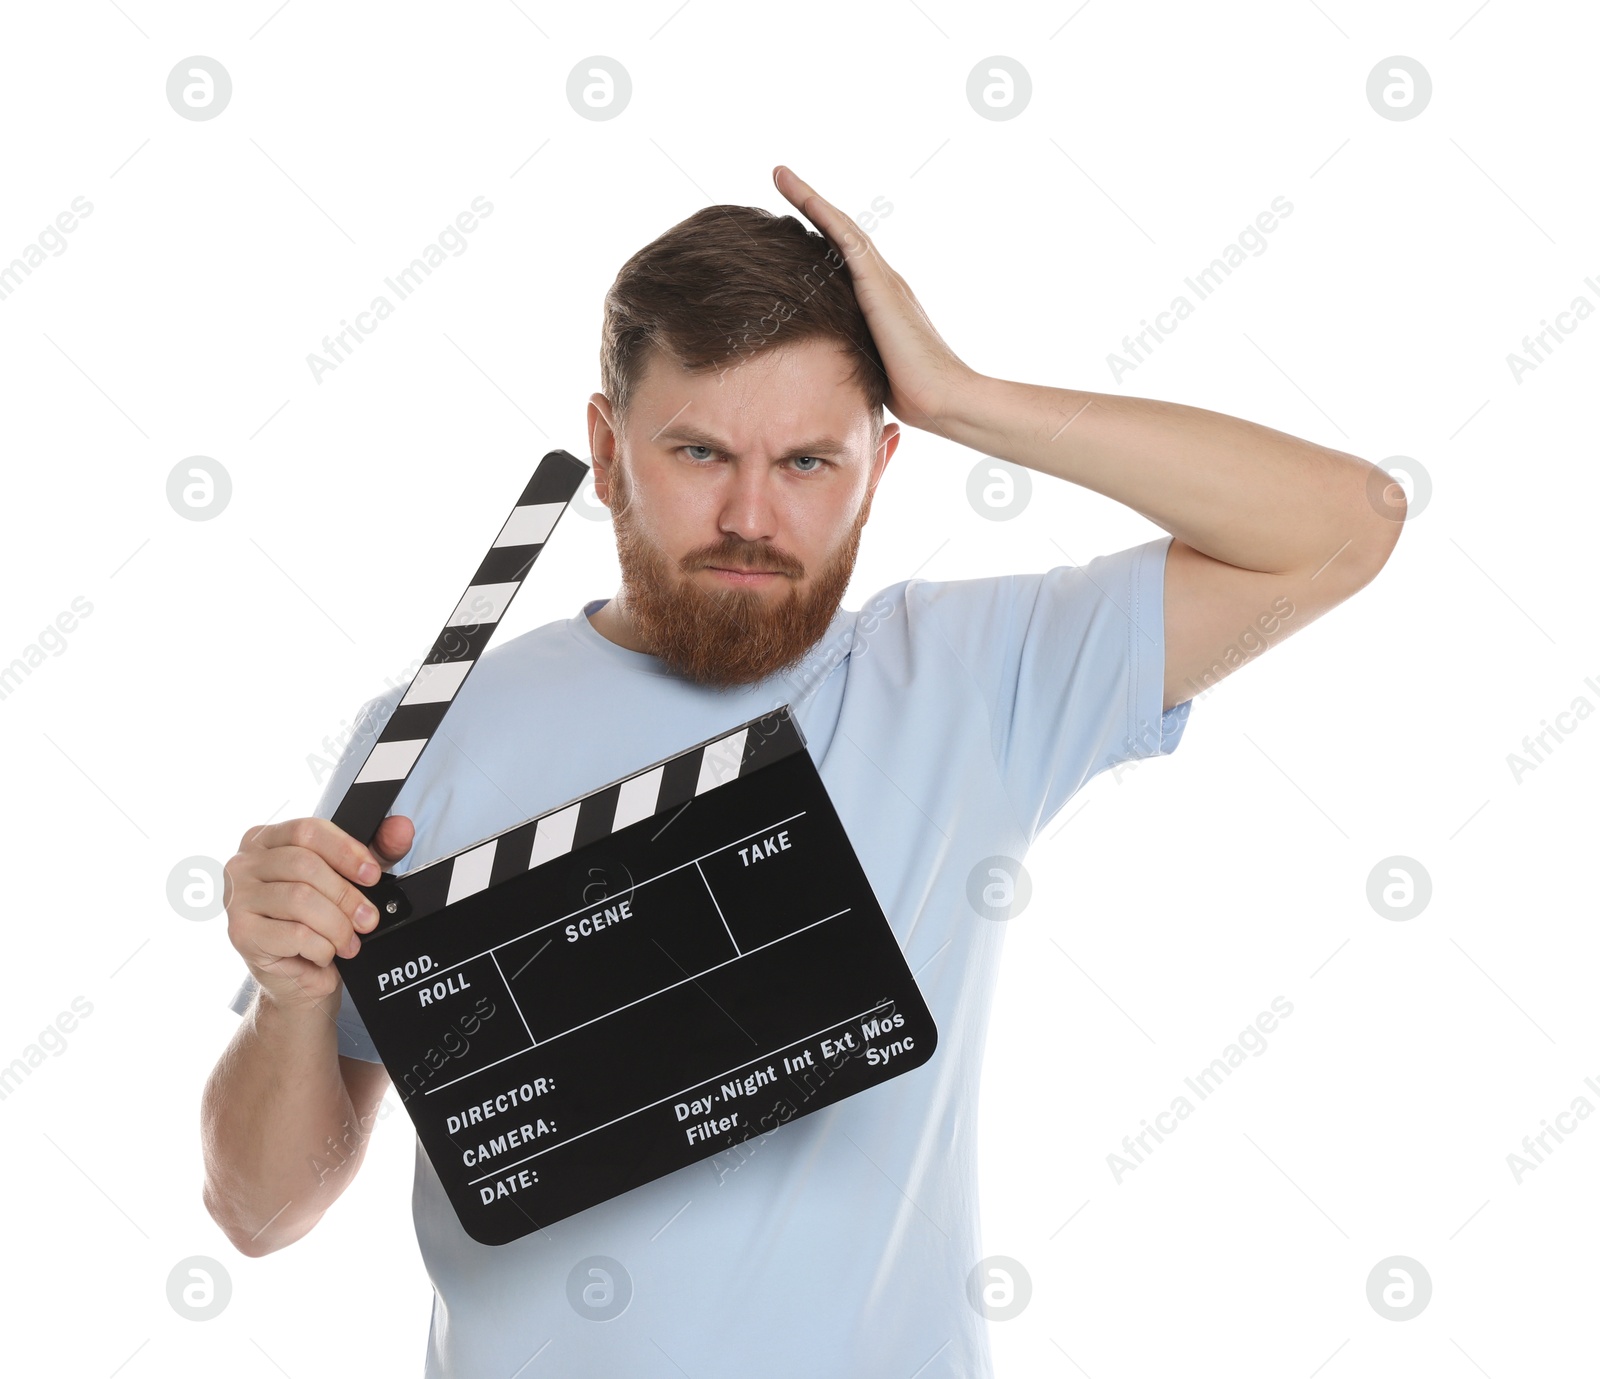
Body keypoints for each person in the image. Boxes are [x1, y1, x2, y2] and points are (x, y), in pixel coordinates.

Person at [202, 165, 1405, 1376]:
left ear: (883, 465)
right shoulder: (429, 736)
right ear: (607, 448)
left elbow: (1347, 524)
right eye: (698, 450)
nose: (749, 515)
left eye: (808, 463)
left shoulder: (972, 678)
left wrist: (965, 396)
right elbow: (262, 1211)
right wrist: (289, 993)